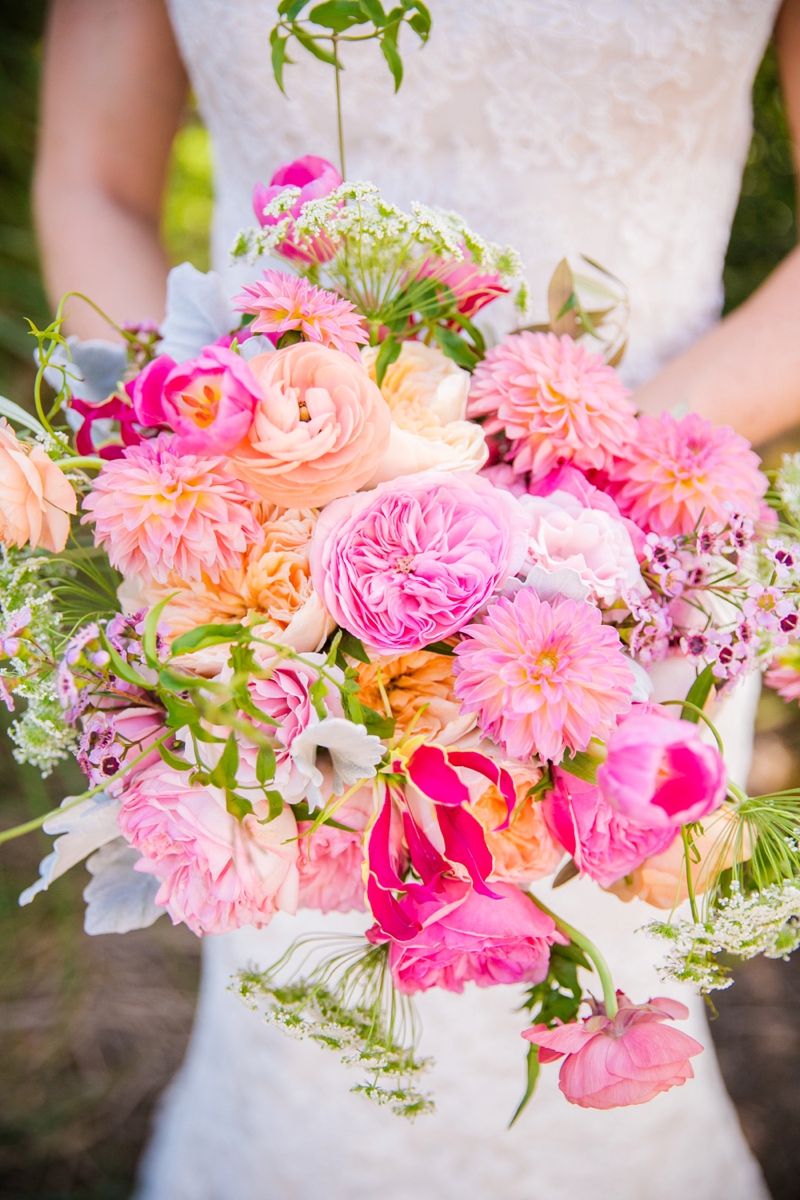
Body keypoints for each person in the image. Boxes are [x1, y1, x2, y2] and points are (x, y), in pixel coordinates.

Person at [33, 2, 799, 1197]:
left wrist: (563, 497)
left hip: (635, 560)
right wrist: (209, 450)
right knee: (286, 933)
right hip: (261, 550)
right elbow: (94, 178)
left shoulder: (625, 542)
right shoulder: (249, 531)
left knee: (611, 957)